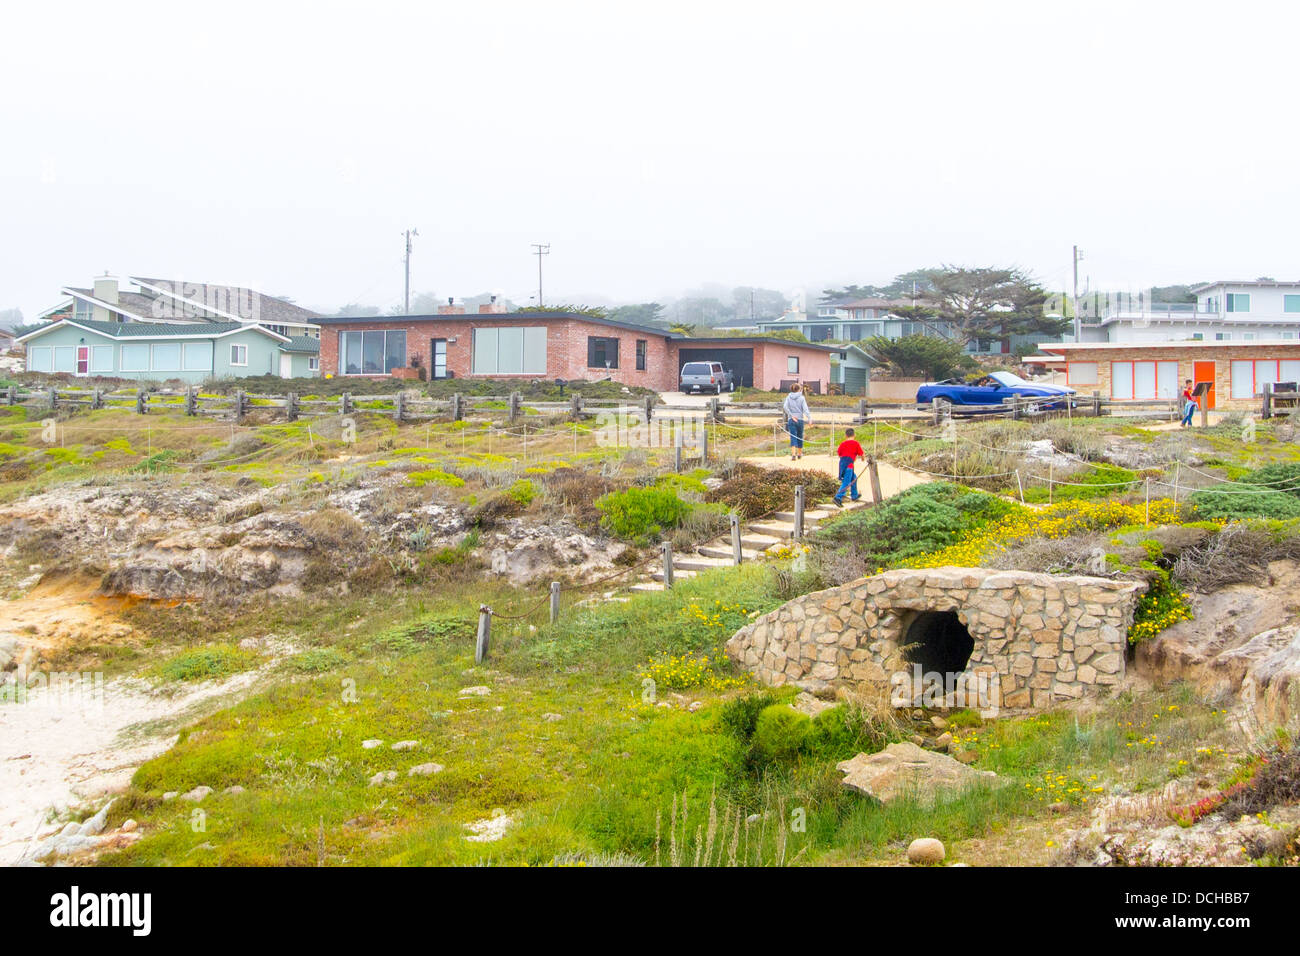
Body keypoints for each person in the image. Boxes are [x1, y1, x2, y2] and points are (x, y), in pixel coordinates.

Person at [833, 427, 865, 506]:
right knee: (846, 482)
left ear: (846, 436)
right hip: (849, 465)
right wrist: (862, 459)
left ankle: (854, 495)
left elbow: (839, 453)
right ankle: (838, 497)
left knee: (854, 478)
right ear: (854, 435)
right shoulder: (856, 443)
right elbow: (862, 454)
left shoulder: (842, 444)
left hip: (842, 464)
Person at [782, 383, 811, 460]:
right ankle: (799, 454)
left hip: (791, 419)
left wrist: (791, 415)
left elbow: (785, 407)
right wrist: (809, 418)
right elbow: (805, 409)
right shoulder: (802, 398)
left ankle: (793, 454)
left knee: (793, 436)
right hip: (800, 419)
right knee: (800, 436)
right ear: (799, 389)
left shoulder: (788, 397)